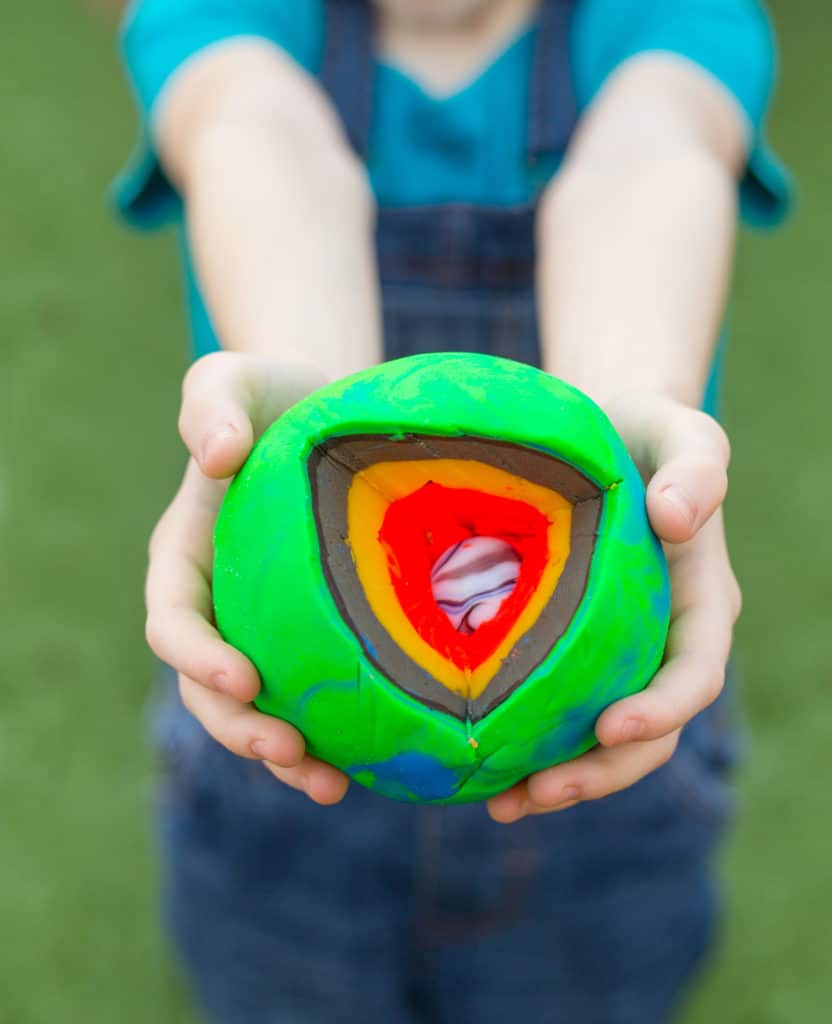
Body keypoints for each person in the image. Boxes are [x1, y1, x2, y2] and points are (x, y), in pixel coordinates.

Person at [114, 0, 790, 1020]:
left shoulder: (674, 21)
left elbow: (645, 165)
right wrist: (320, 440)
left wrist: (625, 439)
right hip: (279, 773)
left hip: (599, 769)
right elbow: (259, 133)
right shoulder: (223, 15)